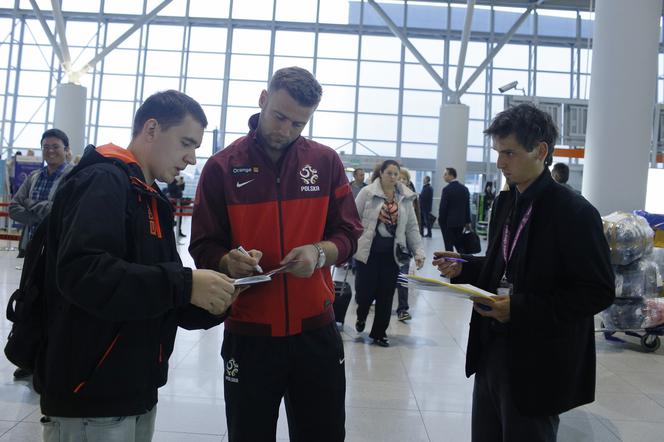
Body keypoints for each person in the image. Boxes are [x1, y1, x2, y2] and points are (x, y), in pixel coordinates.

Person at [37, 90, 238, 442]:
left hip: (133, 386)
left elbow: (158, 294)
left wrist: (220, 291)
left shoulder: (149, 195)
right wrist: (185, 284)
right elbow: (83, 273)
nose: (191, 159)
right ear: (151, 128)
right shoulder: (103, 180)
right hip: (91, 393)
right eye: (186, 143)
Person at [189, 67, 362, 442]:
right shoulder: (221, 167)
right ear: (263, 100)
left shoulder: (326, 162)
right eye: (279, 116)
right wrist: (226, 261)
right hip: (250, 333)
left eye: (298, 123)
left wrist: (319, 253)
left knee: (324, 433)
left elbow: (349, 233)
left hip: (316, 330)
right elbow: (202, 244)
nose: (285, 130)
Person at [434, 103, 615, 442]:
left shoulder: (574, 212)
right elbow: (506, 263)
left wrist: (520, 308)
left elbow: (597, 290)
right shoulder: (508, 201)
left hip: (539, 361)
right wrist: (465, 265)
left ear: (540, 151)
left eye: (509, 153)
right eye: (498, 153)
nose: (501, 163)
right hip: (491, 349)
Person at [354, 160, 425, 344]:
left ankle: (379, 333)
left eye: (396, 174)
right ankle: (361, 315)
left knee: (386, 295)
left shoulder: (405, 198)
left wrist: (418, 251)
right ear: (381, 174)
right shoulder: (367, 193)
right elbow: (352, 219)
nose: (393, 177)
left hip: (392, 256)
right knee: (364, 293)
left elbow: (411, 227)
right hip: (367, 253)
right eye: (390, 173)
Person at [10, 129, 73, 262]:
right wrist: (39, 219)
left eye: (55, 146)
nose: (50, 151)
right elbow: (13, 208)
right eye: (46, 147)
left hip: (58, 250)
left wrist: (29, 203)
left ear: (66, 149)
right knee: (29, 283)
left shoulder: (74, 177)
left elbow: (63, 212)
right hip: (32, 248)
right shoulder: (34, 176)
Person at [395, 167, 421, 322]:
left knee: (403, 277)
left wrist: (417, 246)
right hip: (388, 246)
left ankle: (403, 309)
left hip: (404, 246)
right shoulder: (388, 196)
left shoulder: (412, 198)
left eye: (404, 178)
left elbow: (415, 222)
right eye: (399, 177)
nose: (401, 181)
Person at [438, 167, 471, 252]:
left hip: (448, 223)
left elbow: (443, 208)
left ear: (451, 175)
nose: (443, 176)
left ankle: (450, 263)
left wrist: (440, 220)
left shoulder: (446, 190)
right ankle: (462, 262)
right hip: (461, 222)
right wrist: (467, 222)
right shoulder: (465, 189)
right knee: (458, 244)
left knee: (448, 245)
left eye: (445, 174)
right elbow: (467, 207)